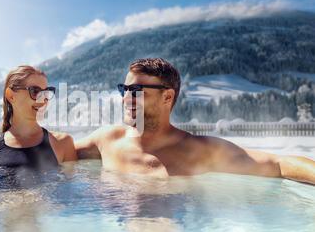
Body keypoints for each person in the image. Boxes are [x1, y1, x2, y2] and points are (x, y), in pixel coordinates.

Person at [75, 58, 315, 185]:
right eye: (124, 89)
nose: (127, 97)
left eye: (136, 89)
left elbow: (280, 163)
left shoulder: (199, 150)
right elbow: (50, 148)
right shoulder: (106, 140)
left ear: (167, 96)